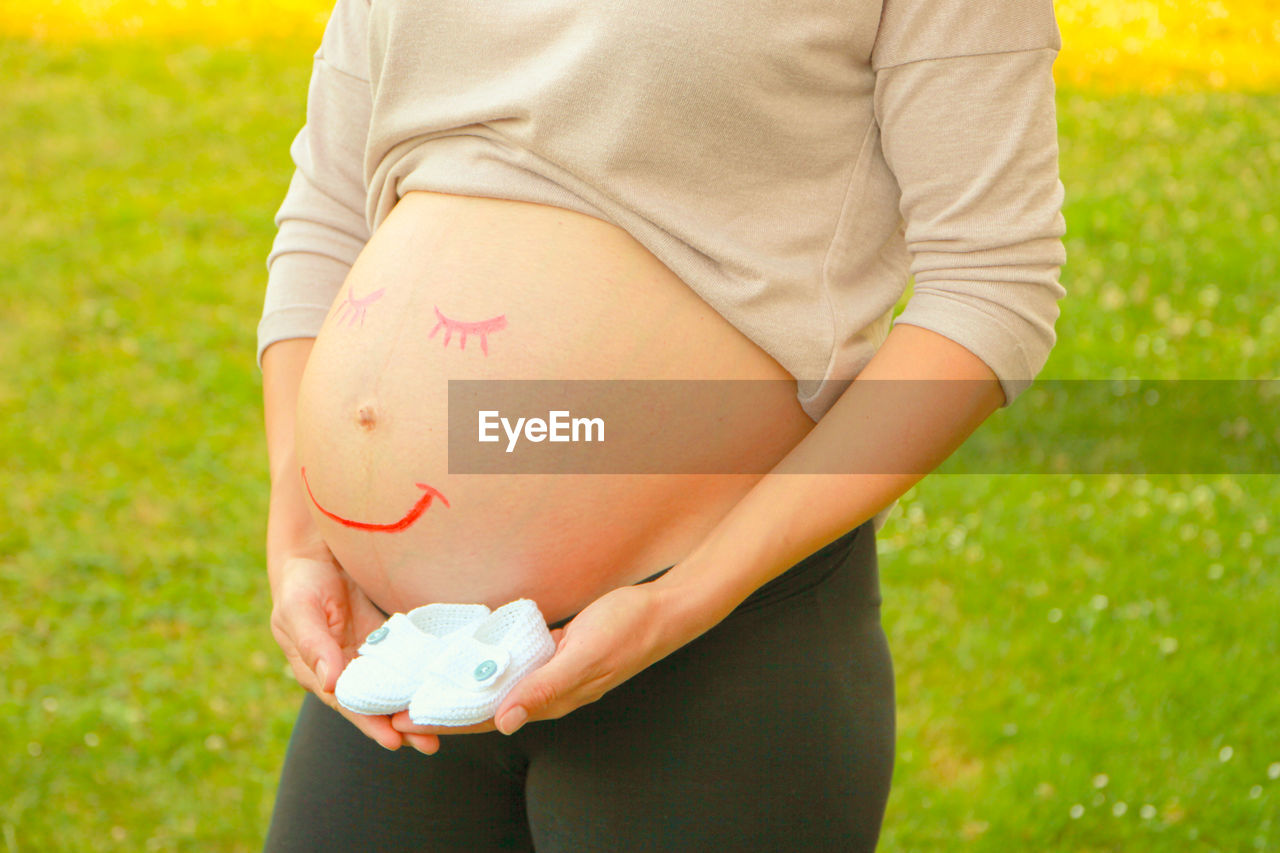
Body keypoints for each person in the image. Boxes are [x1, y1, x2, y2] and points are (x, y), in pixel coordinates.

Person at [257, 0, 1067, 848]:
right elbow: (329, 208)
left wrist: (687, 599)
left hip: (713, 649)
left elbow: (990, 284)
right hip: (404, 653)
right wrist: (302, 526)